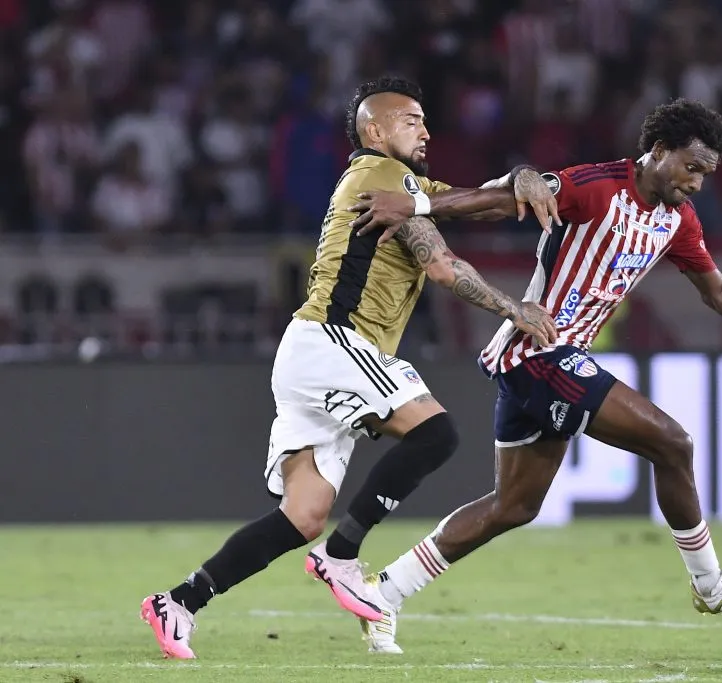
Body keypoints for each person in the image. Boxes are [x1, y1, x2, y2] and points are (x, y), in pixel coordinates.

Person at [335, 98, 722, 653]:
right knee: (672, 443)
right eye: (691, 167)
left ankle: (385, 592)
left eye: (705, 174)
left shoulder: (678, 220)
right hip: (541, 354)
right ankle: (711, 584)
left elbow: (720, 293)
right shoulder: (595, 186)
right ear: (658, 151)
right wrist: (417, 203)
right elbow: (501, 200)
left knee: (513, 506)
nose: (696, 183)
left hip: (543, 360)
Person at [139, 76, 561, 660]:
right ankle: (342, 556)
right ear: (375, 131)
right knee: (436, 434)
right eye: (411, 120)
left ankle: (179, 602)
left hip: (309, 353)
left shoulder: (399, 183)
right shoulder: (381, 174)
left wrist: (522, 177)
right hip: (337, 342)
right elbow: (442, 266)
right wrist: (516, 309)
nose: (426, 130)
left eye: (424, 119)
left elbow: (473, 200)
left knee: (302, 516)